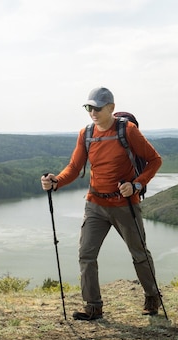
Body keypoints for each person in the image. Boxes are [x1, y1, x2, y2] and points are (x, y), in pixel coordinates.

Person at [41, 86, 163, 321]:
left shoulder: (127, 131)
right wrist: (56, 182)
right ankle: (93, 307)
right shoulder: (85, 134)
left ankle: (151, 296)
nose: (92, 112)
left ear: (111, 108)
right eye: (89, 108)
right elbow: (74, 168)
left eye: (97, 108)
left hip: (124, 204)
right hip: (95, 204)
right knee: (86, 254)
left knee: (138, 253)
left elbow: (154, 160)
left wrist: (136, 185)